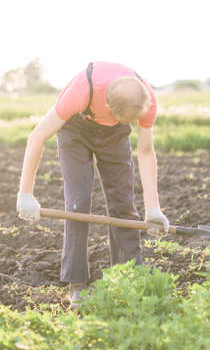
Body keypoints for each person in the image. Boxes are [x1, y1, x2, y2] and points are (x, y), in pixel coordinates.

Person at [17, 61, 169, 308]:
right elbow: (37, 136)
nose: (133, 123)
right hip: (75, 130)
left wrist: (154, 208)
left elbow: (146, 152)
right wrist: (25, 193)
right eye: (127, 120)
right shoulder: (81, 90)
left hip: (113, 138)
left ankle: (128, 277)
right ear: (109, 108)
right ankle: (77, 284)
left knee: (123, 202)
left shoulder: (145, 99)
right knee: (78, 203)